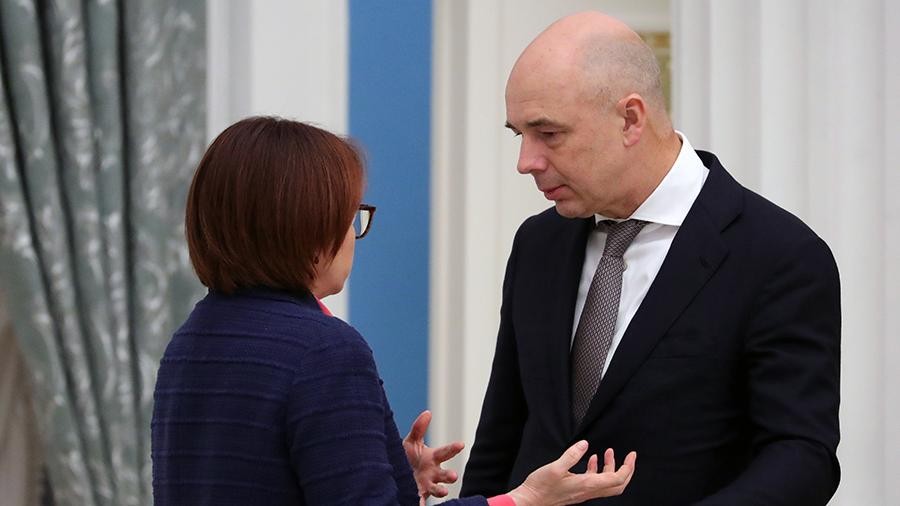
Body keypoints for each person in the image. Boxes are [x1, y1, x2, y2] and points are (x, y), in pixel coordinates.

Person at [150, 116, 637, 505]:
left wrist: (381, 470)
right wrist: (523, 499)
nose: (353, 237)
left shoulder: (191, 338)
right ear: (304, 226)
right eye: (350, 216)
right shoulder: (323, 349)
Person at [459, 11, 841, 506]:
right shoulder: (538, 242)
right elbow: (502, 434)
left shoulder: (779, 255)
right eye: (519, 135)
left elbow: (800, 457)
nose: (525, 162)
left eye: (548, 134)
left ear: (630, 119)